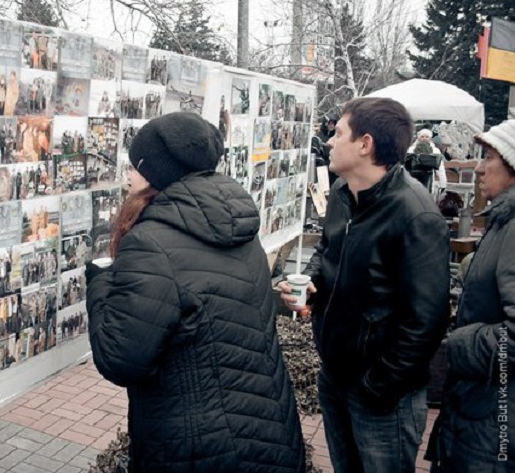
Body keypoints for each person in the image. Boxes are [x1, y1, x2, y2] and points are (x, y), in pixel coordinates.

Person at [85, 112, 305, 473]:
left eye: (134, 167)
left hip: (199, 446)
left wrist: (101, 280)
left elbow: (120, 358)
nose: (127, 177)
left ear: (156, 172)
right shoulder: (238, 225)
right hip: (267, 427)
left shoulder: (152, 243)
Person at [279, 97, 451, 473]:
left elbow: (428, 320)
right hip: (335, 376)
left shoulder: (415, 214)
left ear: (365, 144)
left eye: (338, 133)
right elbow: (327, 251)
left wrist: (379, 385)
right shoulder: (343, 193)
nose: (329, 141)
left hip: (382, 393)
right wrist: (311, 280)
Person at [427, 119, 515, 472]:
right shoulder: (503, 221)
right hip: (481, 413)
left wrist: (461, 344)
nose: (479, 168)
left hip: (493, 427)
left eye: (489, 157)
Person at [406, 128, 448, 196]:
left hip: (428, 182)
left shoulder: (435, 151)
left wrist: (443, 183)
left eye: (426, 137)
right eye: (422, 136)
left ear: (430, 138)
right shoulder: (411, 150)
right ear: (418, 138)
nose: (424, 138)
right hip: (412, 182)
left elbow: (440, 168)